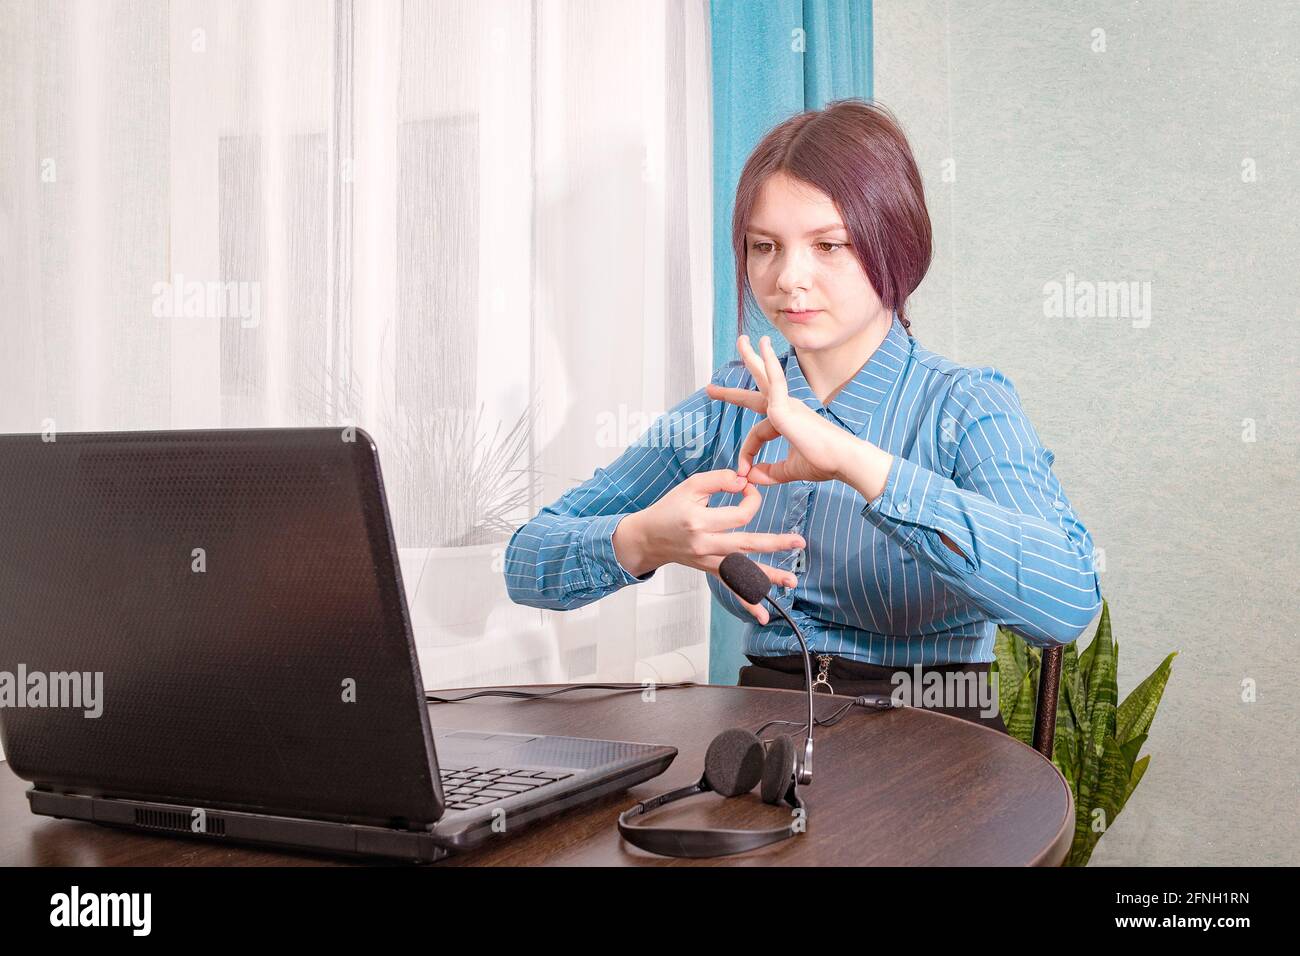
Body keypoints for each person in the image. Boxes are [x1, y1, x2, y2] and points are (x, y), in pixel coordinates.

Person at [504, 99, 1103, 735]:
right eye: (766, 246)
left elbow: (1065, 604)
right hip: (766, 737)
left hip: (937, 743)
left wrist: (855, 461)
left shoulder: (963, 405)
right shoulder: (726, 408)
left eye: (829, 245)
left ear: (894, 244)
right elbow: (525, 562)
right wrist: (646, 540)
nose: (789, 277)